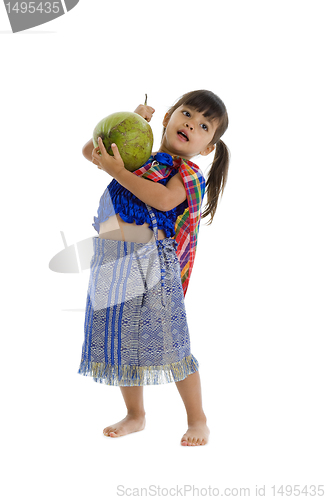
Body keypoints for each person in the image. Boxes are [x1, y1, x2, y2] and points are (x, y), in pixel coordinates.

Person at [78, 89, 230, 446]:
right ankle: (135, 414)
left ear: (208, 148)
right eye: (188, 114)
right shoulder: (137, 155)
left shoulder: (188, 174)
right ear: (167, 117)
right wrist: (128, 124)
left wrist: (119, 172)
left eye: (204, 126)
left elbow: (161, 199)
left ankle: (198, 419)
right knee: (120, 342)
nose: (192, 124)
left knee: (173, 343)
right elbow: (90, 152)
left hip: (151, 266)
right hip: (112, 260)